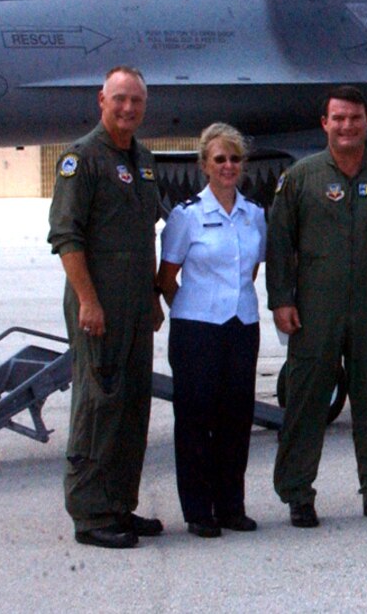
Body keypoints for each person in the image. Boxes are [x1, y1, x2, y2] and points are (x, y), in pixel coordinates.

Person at [267, 86, 367, 527]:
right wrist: (281, 300)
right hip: (314, 309)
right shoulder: (301, 178)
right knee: (306, 401)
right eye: (338, 118)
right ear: (325, 124)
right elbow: (279, 244)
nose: (346, 126)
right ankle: (298, 494)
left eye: (355, 118)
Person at [48, 65, 166, 548]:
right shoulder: (82, 159)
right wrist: (88, 301)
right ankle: (90, 514)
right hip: (99, 303)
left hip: (136, 302)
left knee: (132, 404)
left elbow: (146, 232)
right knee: (98, 404)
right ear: (102, 101)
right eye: (119, 98)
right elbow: (66, 236)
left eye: (136, 100)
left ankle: (119, 503)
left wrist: (153, 297)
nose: (128, 108)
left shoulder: (142, 158)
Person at [156, 123, 266, 538]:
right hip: (197, 330)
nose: (228, 166)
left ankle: (231, 506)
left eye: (235, 159)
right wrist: (193, 309)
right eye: (220, 159)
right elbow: (167, 277)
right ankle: (199, 511)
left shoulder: (254, 215)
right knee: (195, 420)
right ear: (204, 165)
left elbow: (249, 270)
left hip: (241, 326)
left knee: (236, 419)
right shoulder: (186, 216)